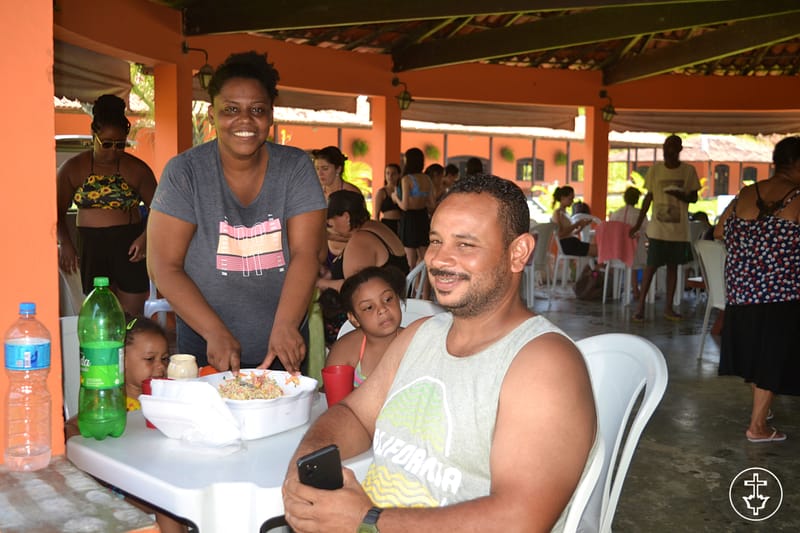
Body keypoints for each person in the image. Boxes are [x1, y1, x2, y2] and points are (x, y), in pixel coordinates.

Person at [283, 174, 597, 532]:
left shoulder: (543, 364)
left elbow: (519, 520)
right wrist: (305, 461)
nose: (440, 259)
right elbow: (355, 414)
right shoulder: (421, 335)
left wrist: (368, 521)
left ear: (518, 252)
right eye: (435, 241)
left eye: (465, 245)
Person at [147, 51, 326, 373]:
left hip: (282, 349)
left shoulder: (295, 168)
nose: (245, 120)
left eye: (257, 110)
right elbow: (163, 266)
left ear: (271, 116)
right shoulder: (184, 172)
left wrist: (286, 326)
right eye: (230, 109)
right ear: (211, 114)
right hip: (206, 348)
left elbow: (306, 254)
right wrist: (214, 331)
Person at [714, 136, 800, 443]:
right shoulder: (798, 196)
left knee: (756, 353)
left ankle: (762, 411)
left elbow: (720, 229)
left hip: (741, 291)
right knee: (771, 356)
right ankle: (758, 426)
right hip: (782, 292)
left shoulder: (747, 192)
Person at [66, 316, 187, 533]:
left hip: (162, 478)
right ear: (121, 361)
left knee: (171, 494)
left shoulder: (165, 397)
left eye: (165, 359)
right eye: (150, 359)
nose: (160, 367)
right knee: (166, 503)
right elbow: (70, 427)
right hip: (120, 487)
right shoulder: (112, 402)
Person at [57, 94, 157, 316]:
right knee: (100, 313)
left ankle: (132, 351)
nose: (114, 151)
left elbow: (161, 210)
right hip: (92, 247)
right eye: (107, 144)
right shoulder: (73, 168)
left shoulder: (137, 169)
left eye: (121, 145)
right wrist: (65, 244)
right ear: (94, 133)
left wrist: (145, 238)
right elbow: (56, 212)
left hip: (130, 244)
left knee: (131, 313)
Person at [629, 134, 700, 322]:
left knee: (672, 269)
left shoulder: (688, 171)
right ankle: (640, 307)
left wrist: (681, 196)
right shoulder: (655, 171)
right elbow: (648, 198)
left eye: (672, 148)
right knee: (651, 267)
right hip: (657, 230)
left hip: (678, 231)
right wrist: (637, 224)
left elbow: (694, 198)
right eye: (665, 148)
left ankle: (668, 308)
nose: (667, 152)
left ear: (679, 150)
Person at [326, 266, 405, 387]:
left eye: (388, 299)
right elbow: (334, 396)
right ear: (353, 318)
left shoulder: (416, 342)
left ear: (398, 298)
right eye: (369, 307)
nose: (382, 309)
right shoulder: (345, 349)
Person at [318, 190, 410, 293]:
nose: (333, 229)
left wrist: (320, 283)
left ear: (346, 217)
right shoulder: (375, 226)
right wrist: (330, 274)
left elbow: (354, 289)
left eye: (331, 224)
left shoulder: (360, 240)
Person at [391, 148, 435, 270]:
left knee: (410, 261)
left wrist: (395, 198)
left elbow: (404, 206)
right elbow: (432, 204)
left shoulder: (407, 179)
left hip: (409, 219)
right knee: (425, 260)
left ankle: (411, 289)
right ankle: (425, 289)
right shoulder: (427, 179)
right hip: (423, 217)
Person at [610, 186, 648, 298]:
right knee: (644, 258)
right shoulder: (639, 214)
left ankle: (627, 289)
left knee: (633, 253)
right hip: (634, 254)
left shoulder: (615, 214)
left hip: (617, 253)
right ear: (637, 200)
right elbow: (647, 232)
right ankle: (639, 289)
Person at [552, 185, 597, 256]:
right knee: (599, 251)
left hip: (572, 242)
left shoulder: (566, 213)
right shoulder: (557, 213)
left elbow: (572, 233)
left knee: (600, 249)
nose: (572, 201)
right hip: (567, 244)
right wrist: (577, 224)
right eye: (570, 199)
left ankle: (592, 267)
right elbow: (560, 233)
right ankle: (592, 267)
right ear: (562, 198)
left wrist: (582, 225)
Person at [373, 163, 402, 235]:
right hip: (387, 224)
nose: (390, 176)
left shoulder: (402, 191)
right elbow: (376, 214)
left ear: (398, 175)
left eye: (393, 173)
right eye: (387, 173)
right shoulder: (382, 192)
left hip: (401, 224)